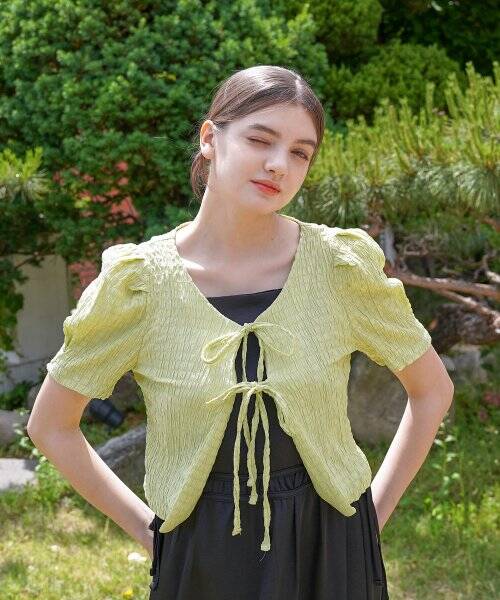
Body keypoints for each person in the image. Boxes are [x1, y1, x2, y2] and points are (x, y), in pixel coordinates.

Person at [28, 65, 454, 599]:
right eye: (260, 140)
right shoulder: (140, 284)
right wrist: (150, 533)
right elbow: (52, 425)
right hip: (203, 557)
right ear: (210, 138)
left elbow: (431, 390)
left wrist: (369, 521)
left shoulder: (338, 268)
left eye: (300, 153)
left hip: (330, 547)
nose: (279, 164)